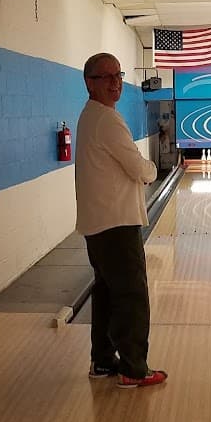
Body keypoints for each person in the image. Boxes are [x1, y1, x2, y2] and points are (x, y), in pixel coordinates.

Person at [75, 52, 167, 389]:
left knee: (107, 295)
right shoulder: (107, 120)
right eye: (105, 77)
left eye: (118, 75)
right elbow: (137, 167)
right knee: (131, 297)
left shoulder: (89, 116)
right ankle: (133, 369)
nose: (115, 83)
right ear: (89, 83)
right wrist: (152, 169)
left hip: (97, 224)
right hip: (116, 224)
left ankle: (102, 362)